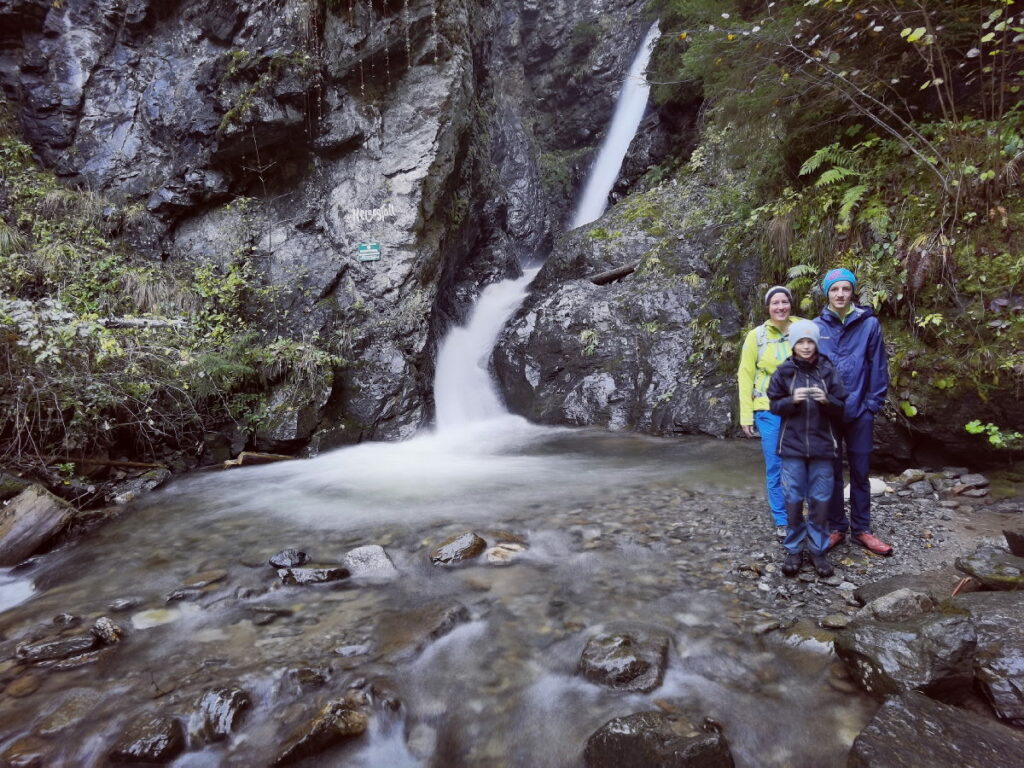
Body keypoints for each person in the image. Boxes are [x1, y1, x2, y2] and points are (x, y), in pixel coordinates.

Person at [813, 268, 893, 556]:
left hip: (860, 410)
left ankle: (862, 530)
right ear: (827, 293)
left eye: (845, 289)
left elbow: (878, 366)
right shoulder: (815, 327)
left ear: (852, 292)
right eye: (835, 289)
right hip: (827, 413)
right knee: (831, 472)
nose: (840, 294)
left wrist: (873, 405)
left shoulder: (869, 324)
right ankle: (836, 527)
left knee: (860, 473)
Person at [767, 319, 848, 577]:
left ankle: (818, 551)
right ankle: (793, 549)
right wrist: (792, 400)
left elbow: (841, 405)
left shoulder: (827, 370)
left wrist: (827, 401)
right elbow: (774, 405)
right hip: (792, 447)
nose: (805, 346)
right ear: (793, 344)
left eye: (809, 341)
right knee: (792, 499)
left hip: (824, 446)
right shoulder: (784, 371)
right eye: (800, 341)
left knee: (820, 500)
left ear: (815, 343)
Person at [737, 285, 800, 539]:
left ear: (790, 304)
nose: (780, 307)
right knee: (776, 465)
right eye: (775, 303)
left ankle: (801, 513)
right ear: (768, 308)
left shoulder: (803, 329)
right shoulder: (757, 336)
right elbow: (745, 375)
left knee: (800, 464)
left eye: (784, 302)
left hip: (800, 409)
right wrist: (745, 415)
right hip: (768, 409)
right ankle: (782, 519)